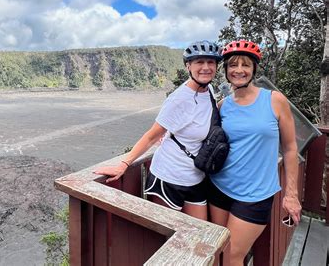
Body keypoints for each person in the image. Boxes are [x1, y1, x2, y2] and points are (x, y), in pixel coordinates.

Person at [94, 40, 222, 220]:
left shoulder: (208, 89)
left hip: (196, 178)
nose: (206, 67)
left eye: (211, 63)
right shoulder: (179, 100)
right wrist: (124, 164)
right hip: (168, 177)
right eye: (199, 62)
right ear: (188, 66)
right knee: (167, 234)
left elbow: (205, 115)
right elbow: (151, 136)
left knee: (200, 235)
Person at [207, 40, 302, 265]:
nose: (239, 70)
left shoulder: (275, 100)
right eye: (233, 65)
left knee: (232, 256)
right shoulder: (223, 106)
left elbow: (290, 149)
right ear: (226, 71)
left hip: (256, 194)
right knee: (219, 253)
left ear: (254, 70)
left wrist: (291, 194)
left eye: (245, 65)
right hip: (220, 186)